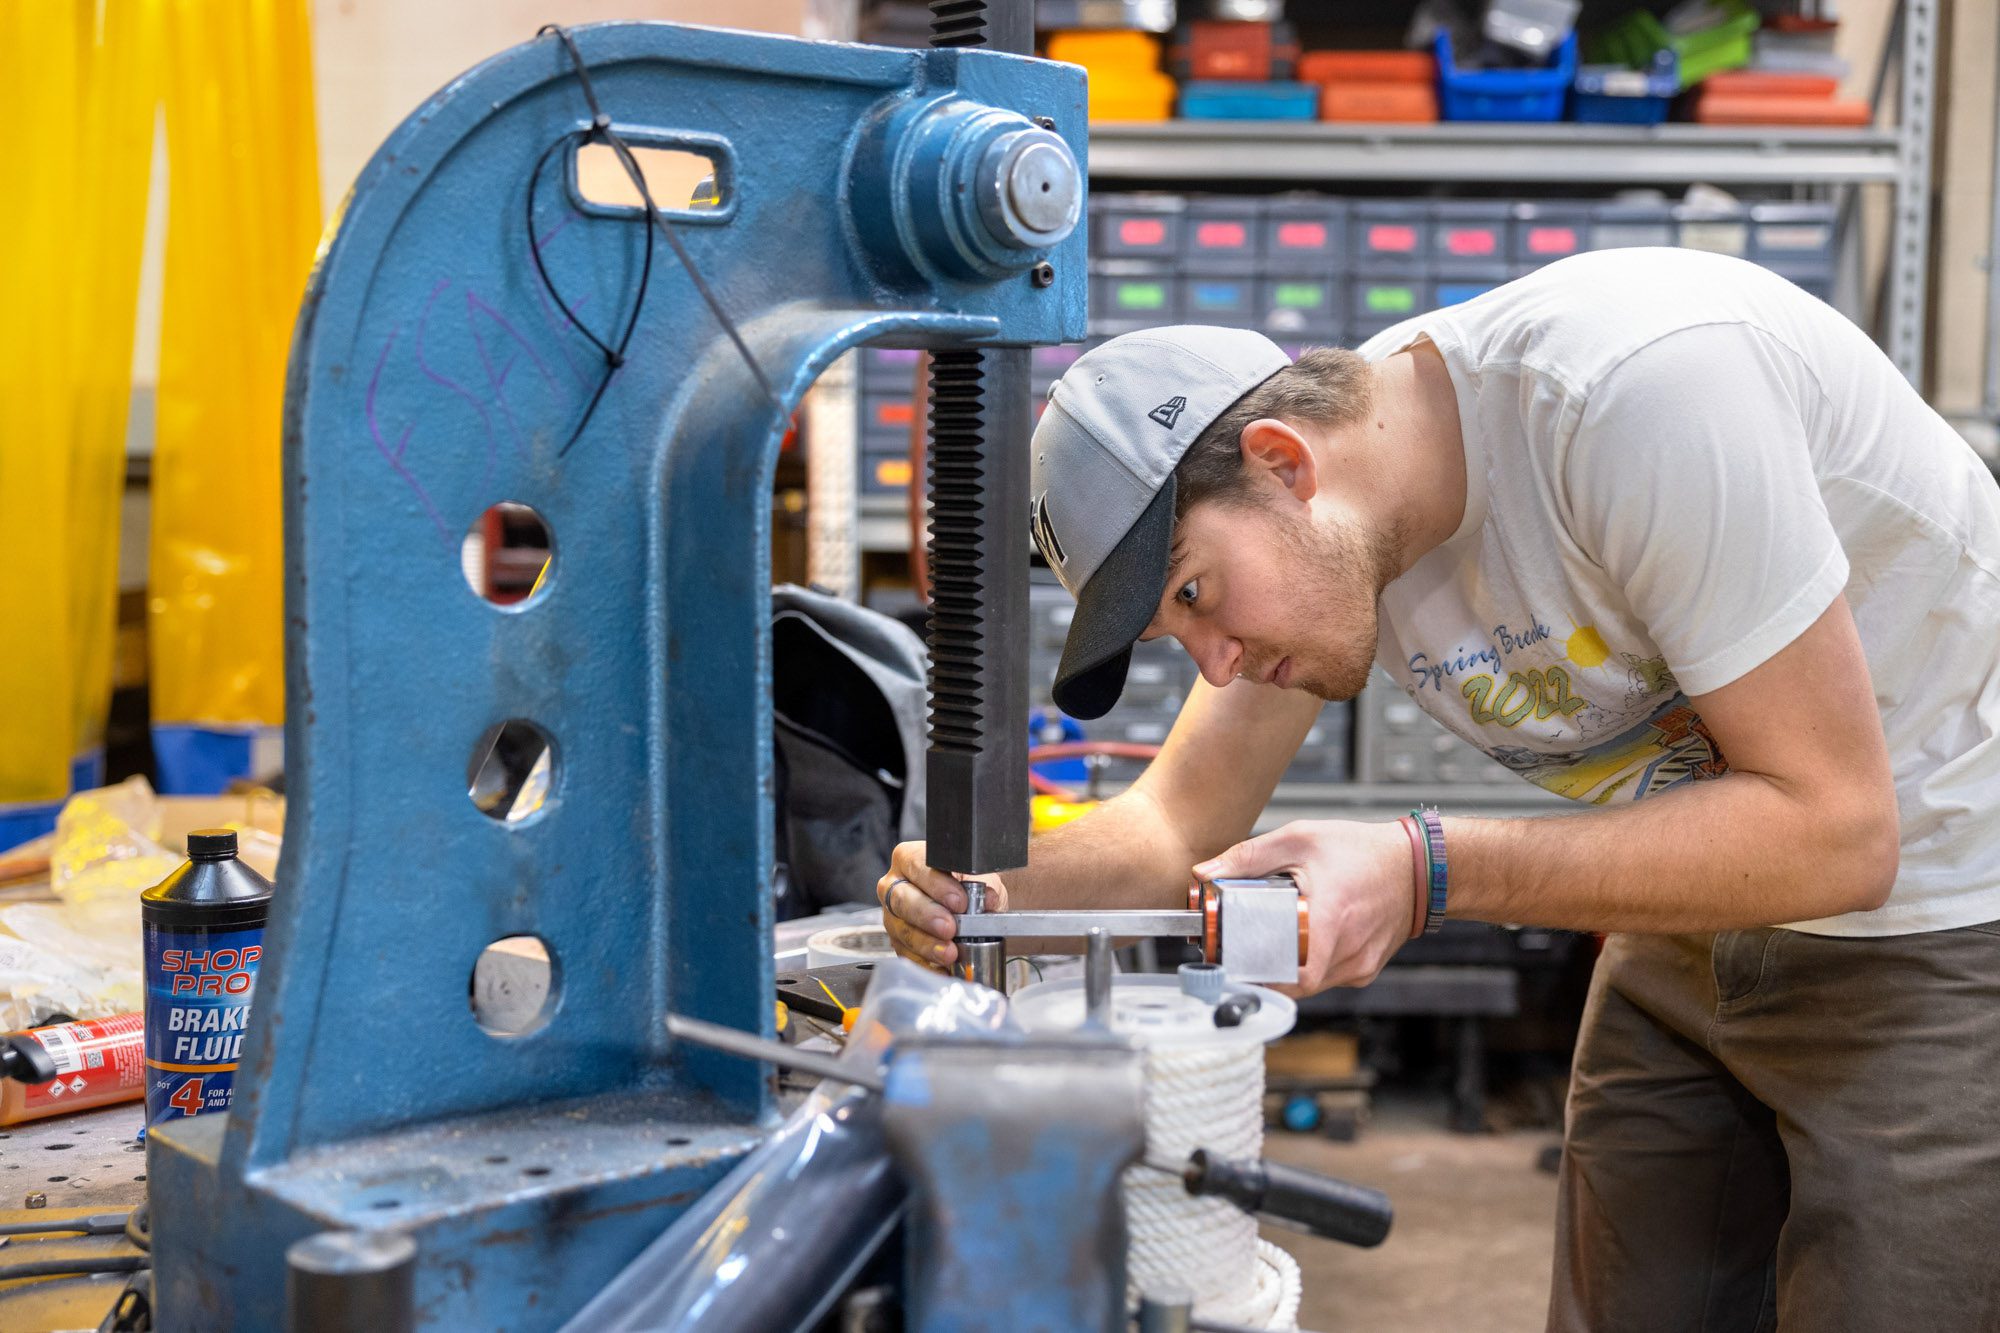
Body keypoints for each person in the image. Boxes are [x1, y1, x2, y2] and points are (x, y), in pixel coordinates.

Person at [876, 246, 2000, 1330]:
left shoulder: (1635, 397)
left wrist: (1426, 869)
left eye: (1198, 593)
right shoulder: (1342, 525)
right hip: (1697, 915)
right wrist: (987, 892)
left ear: (1281, 462)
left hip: (1939, 922)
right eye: (1180, 631)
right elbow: (1175, 822)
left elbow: (1842, 835)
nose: (1215, 661)